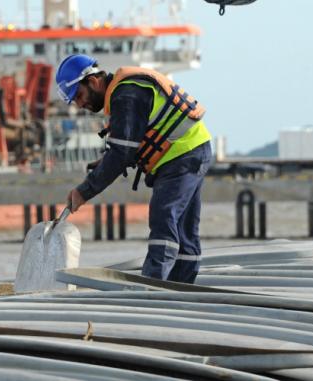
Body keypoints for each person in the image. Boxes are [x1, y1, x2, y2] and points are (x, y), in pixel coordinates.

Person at [55, 54, 212, 284]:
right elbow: (128, 144)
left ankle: (152, 286)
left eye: (79, 95)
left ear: (94, 81)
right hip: (190, 151)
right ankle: (182, 287)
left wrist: (84, 191)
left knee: (163, 217)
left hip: (181, 155)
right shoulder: (124, 92)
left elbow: (121, 153)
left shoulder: (126, 95)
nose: (80, 105)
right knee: (184, 230)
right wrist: (106, 161)